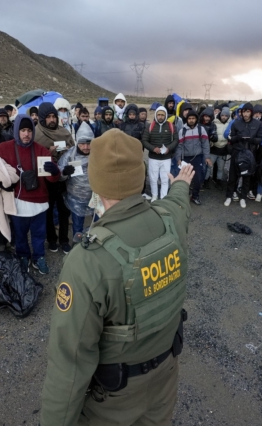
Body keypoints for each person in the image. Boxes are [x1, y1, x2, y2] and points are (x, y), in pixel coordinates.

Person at [40, 129, 194, 426]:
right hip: (165, 377)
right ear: (141, 176)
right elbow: (178, 202)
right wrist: (182, 184)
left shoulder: (87, 260)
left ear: (96, 182)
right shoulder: (170, 220)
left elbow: (69, 362)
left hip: (115, 399)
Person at [0, 114, 60, 274]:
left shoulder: (41, 150)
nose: (26, 134)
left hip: (40, 202)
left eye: (29, 130)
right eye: (23, 130)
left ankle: (38, 257)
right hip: (17, 202)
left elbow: (52, 179)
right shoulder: (3, 148)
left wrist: (54, 172)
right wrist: (0, 182)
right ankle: (24, 256)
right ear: (17, 130)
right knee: (21, 234)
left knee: (39, 234)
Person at [35, 102, 74, 254]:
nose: (52, 120)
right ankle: (51, 240)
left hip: (64, 179)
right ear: (42, 119)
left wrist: (67, 153)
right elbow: (34, 158)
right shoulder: (37, 135)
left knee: (64, 211)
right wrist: (47, 153)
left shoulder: (64, 132)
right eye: (48, 117)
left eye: (53, 116)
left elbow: (73, 151)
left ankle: (64, 240)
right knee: (49, 211)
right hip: (46, 181)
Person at [58, 122, 95, 240]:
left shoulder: (98, 154)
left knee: (97, 225)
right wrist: (64, 172)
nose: (85, 147)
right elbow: (58, 175)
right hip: (76, 199)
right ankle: (77, 247)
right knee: (77, 226)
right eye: (82, 143)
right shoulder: (69, 156)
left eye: (88, 143)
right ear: (77, 141)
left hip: (95, 198)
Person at [225, 103, 262, 207]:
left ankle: (243, 197)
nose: (245, 114)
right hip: (237, 152)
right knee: (232, 176)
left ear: (251, 112)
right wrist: (238, 137)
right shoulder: (236, 123)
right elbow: (230, 138)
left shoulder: (258, 124)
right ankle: (229, 196)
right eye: (243, 111)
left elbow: (260, 139)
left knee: (247, 177)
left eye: (247, 111)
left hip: (250, 153)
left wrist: (251, 140)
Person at [142, 106, 178, 201]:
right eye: (159, 115)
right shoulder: (150, 127)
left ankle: (163, 197)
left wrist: (169, 148)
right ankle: (154, 195)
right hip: (153, 158)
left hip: (166, 158)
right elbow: (144, 141)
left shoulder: (171, 126)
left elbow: (176, 140)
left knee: (165, 179)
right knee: (153, 178)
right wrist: (153, 148)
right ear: (156, 115)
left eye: (162, 115)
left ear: (165, 115)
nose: (160, 117)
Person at [176, 112, 212, 205]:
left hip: (198, 158)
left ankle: (195, 196)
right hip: (186, 158)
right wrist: (178, 158)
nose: (191, 120)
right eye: (189, 118)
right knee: (184, 179)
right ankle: (184, 196)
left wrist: (207, 157)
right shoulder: (182, 130)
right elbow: (179, 146)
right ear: (187, 120)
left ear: (196, 119)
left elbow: (205, 144)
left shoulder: (201, 129)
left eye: (193, 118)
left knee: (198, 178)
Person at [210, 107, 231, 188]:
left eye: (226, 115)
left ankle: (219, 181)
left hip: (223, 150)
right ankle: (206, 180)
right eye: (222, 115)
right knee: (209, 166)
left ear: (228, 116)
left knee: (221, 168)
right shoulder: (214, 123)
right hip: (214, 148)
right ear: (220, 115)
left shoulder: (230, 124)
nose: (224, 117)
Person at [198, 107, 218, 189]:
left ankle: (203, 181)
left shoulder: (213, 126)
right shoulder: (198, 124)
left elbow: (215, 138)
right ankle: (196, 181)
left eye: (208, 117)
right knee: (196, 166)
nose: (206, 118)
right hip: (197, 149)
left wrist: (213, 136)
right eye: (205, 116)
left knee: (204, 166)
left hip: (206, 150)